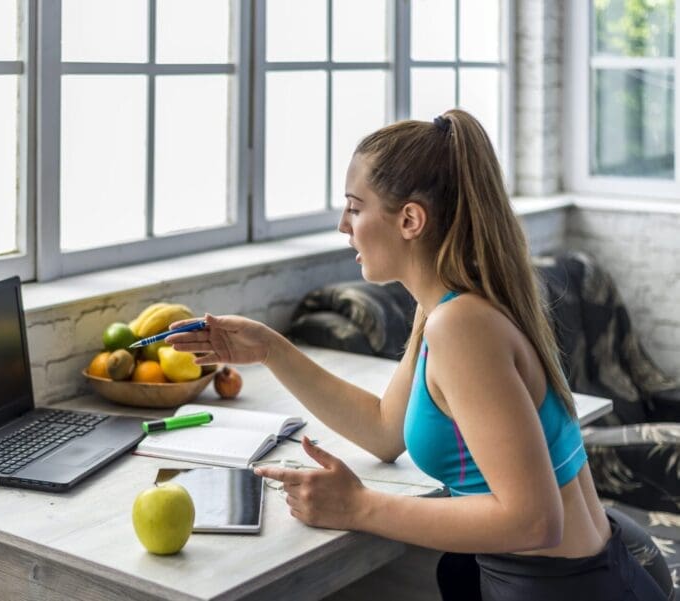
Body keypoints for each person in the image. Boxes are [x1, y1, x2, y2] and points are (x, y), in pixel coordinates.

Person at [166, 109, 669, 601]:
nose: (344, 225)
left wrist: (360, 507)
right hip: (582, 572)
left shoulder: (463, 325)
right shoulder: (446, 308)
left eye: (355, 207)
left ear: (409, 219)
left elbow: (535, 520)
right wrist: (272, 349)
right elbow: (386, 429)